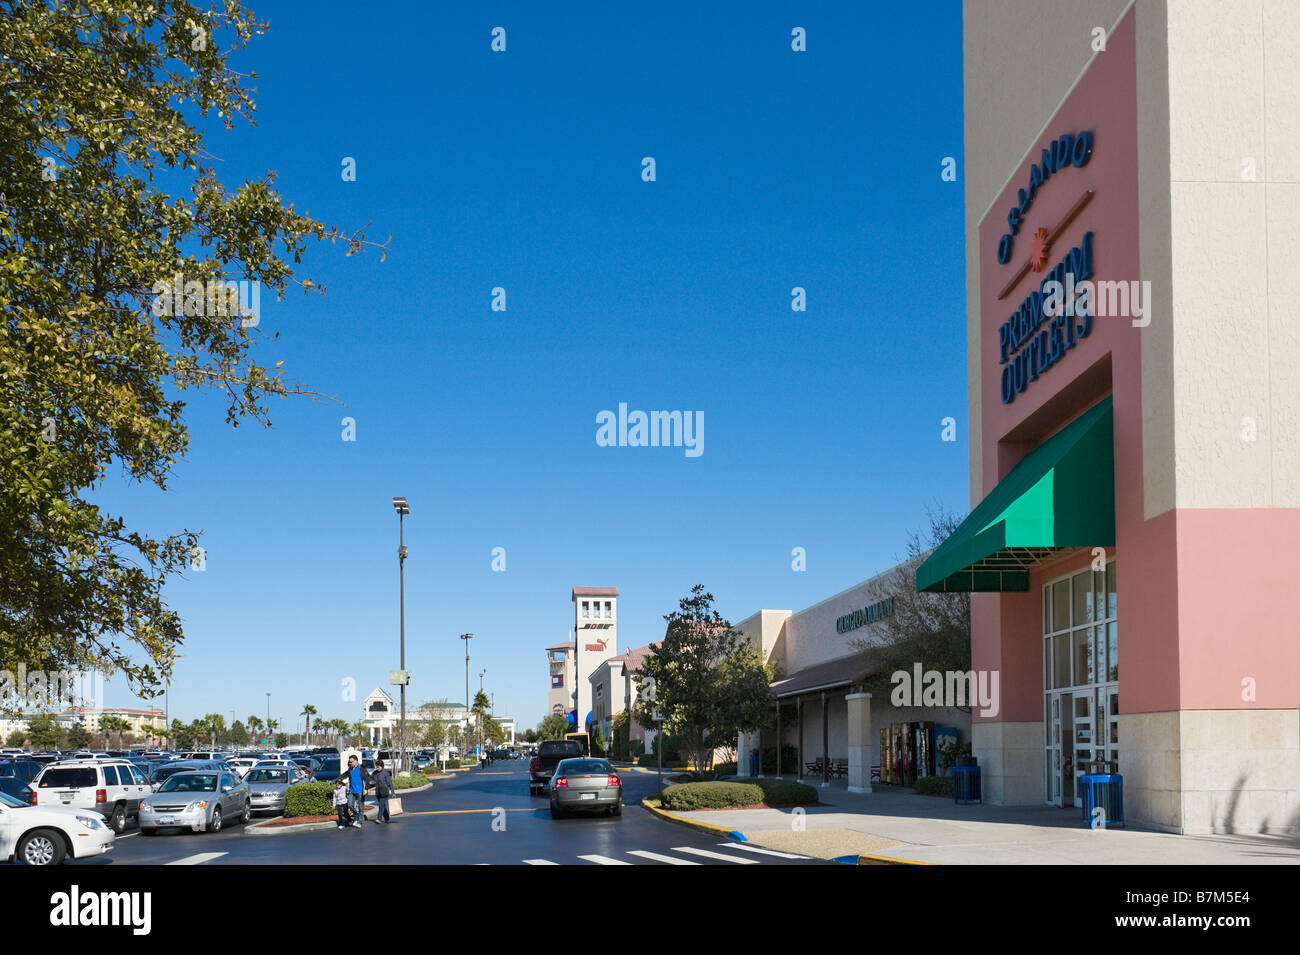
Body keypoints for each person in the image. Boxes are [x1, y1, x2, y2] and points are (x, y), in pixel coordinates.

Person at [344, 754, 371, 828]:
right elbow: (344, 775)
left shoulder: (362, 769)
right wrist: (336, 780)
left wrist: (366, 789)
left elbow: (367, 779)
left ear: (355, 761)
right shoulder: (350, 769)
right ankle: (356, 816)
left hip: (360, 791)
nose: (350, 763)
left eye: (351, 762)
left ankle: (360, 822)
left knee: (360, 807)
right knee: (350, 805)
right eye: (349, 762)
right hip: (352, 791)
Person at [372, 758, 394, 824]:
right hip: (378, 792)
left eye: (378, 767)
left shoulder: (385, 773)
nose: (377, 768)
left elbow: (390, 783)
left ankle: (379, 819)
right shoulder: (375, 773)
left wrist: (393, 792)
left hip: (384, 791)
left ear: (382, 766)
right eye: (376, 767)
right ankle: (387, 818)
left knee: (381, 805)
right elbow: (370, 778)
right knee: (383, 806)